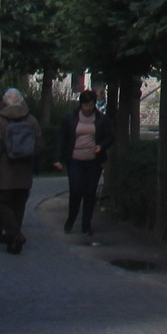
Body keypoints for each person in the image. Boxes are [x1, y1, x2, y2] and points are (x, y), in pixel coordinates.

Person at [0, 88, 39, 253]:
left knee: (3, 203)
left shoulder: (0, 120)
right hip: (25, 170)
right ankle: (13, 237)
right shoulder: (31, 120)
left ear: (5, 101)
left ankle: (14, 234)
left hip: (5, 170)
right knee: (19, 204)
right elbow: (39, 145)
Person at [61, 92, 109, 237]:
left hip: (93, 160)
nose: (88, 108)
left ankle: (86, 224)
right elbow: (63, 137)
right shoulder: (71, 117)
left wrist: (101, 146)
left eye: (91, 105)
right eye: (85, 105)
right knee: (76, 190)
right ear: (80, 104)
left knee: (90, 193)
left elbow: (109, 137)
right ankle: (71, 219)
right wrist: (59, 157)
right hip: (75, 159)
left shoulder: (100, 119)